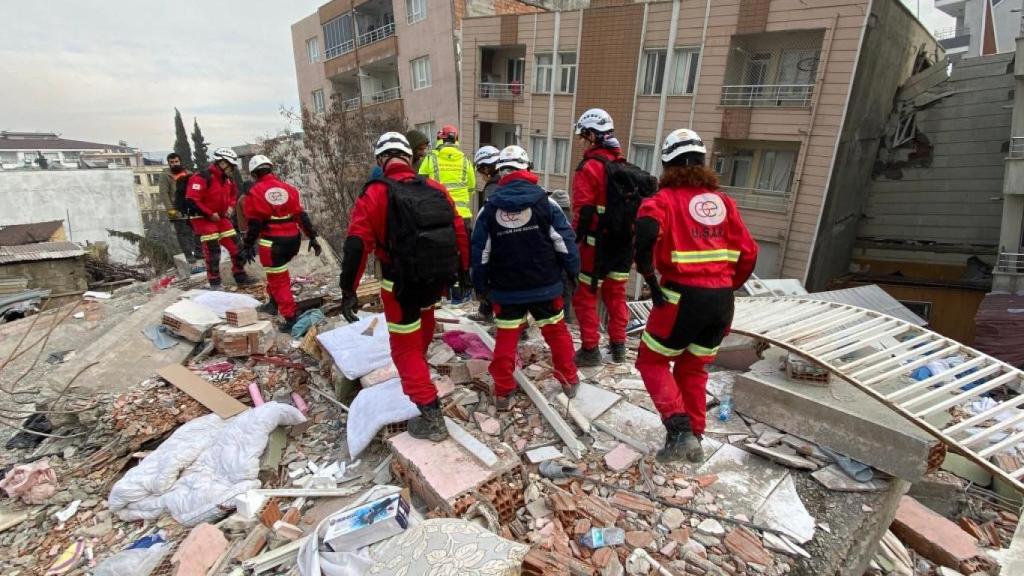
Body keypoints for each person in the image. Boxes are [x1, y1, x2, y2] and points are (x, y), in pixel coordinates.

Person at [633, 129, 758, 463]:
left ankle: (679, 432)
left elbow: (645, 231)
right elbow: (749, 253)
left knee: (651, 361)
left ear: (667, 164)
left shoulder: (663, 200)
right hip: (721, 301)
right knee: (693, 367)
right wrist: (726, 286)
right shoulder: (724, 202)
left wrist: (647, 275)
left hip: (680, 299)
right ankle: (695, 437)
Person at [339, 132, 470, 442]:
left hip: (400, 285)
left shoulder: (375, 194)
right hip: (436, 278)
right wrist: (464, 273)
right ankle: (419, 369)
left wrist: (349, 289)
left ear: (382, 161)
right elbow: (460, 231)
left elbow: (357, 245)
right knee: (424, 322)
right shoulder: (435, 188)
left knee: (404, 349)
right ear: (410, 159)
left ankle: (430, 414)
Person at [471, 146, 581, 410]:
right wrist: (573, 274)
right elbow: (565, 244)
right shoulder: (547, 202)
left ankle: (502, 393)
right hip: (545, 287)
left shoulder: (488, 210)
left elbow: (480, 254)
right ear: (527, 169)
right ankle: (569, 379)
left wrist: (481, 288)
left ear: (501, 172)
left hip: (506, 291)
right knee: (556, 333)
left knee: (506, 340)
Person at [572, 108, 631, 366]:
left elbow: (582, 211)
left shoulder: (589, 168)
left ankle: (590, 350)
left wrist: (574, 242)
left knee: (586, 296)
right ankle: (618, 347)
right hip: (623, 245)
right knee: (616, 295)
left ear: (593, 135)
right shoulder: (623, 166)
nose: (582, 142)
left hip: (595, 246)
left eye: (584, 136)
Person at [238, 155, 323, 332]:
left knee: (279, 281)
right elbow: (302, 216)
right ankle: (273, 303)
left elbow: (254, 223)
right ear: (271, 169)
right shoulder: (289, 189)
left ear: (254, 174)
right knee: (276, 274)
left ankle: (291, 317)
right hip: (293, 241)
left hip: (272, 244)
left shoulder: (254, 193)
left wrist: (247, 246)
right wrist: (313, 237)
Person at [419, 125, 475, 302]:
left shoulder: (430, 158)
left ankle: (445, 294)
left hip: (440, 216)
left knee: (443, 256)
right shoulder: (465, 161)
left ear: (440, 139)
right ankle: (465, 292)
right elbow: (472, 188)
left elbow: (420, 184)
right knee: (464, 255)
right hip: (463, 215)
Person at [185, 147, 252, 288]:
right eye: (231, 166)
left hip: (221, 218)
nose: (232, 169)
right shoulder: (201, 177)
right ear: (222, 163)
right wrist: (209, 213)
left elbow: (233, 194)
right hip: (204, 219)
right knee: (212, 251)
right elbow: (192, 200)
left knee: (237, 248)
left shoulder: (227, 180)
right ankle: (215, 282)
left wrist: (231, 207)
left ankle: (240, 276)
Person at [467, 145, 501, 323]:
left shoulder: (493, 187)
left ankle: (496, 314)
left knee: (490, 276)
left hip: (496, 240)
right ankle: (486, 311)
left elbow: (490, 218)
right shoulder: (501, 181)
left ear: (487, 167)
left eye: (480, 169)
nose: (480, 173)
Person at [158, 153, 202, 264]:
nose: (174, 164)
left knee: (198, 230)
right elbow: (164, 194)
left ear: (180, 161)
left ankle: (199, 251)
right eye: (172, 162)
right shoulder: (165, 175)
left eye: (176, 161)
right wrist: (171, 211)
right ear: (168, 163)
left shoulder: (189, 174)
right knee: (182, 233)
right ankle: (188, 255)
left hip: (191, 207)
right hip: (176, 208)